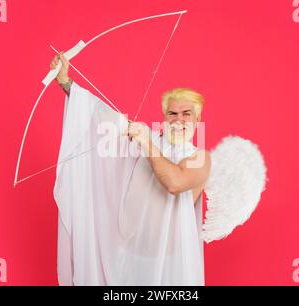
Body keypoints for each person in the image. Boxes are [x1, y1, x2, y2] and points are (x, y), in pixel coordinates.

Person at [51, 52, 211, 285]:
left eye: (187, 114)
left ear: (197, 119)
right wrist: (66, 82)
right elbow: (103, 118)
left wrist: (145, 141)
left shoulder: (200, 157)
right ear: (164, 117)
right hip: (129, 255)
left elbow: (174, 183)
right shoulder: (146, 139)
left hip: (169, 263)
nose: (179, 120)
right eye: (172, 113)